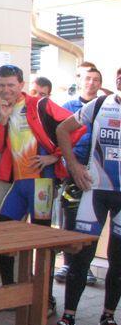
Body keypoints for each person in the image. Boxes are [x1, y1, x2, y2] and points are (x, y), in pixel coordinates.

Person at [0, 64, 80, 317]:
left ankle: (46, 299)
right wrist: (3, 119)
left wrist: (55, 156)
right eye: (2, 85)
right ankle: (10, 294)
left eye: (11, 85)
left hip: (41, 184)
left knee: (42, 243)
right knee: (2, 232)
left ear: (21, 84)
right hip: (19, 184)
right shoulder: (2, 107)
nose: (6, 90)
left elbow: (77, 128)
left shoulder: (40, 105)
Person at [47, 67, 121, 325]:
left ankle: (108, 318)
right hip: (95, 192)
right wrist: (73, 165)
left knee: (119, 260)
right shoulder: (100, 104)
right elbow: (62, 129)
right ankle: (68, 319)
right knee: (80, 257)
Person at [55, 66, 103, 286]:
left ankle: (85, 266)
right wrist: (71, 165)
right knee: (71, 217)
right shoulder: (67, 107)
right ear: (80, 81)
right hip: (73, 170)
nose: (91, 83)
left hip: (98, 174)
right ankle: (67, 263)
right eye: (88, 78)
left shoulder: (104, 105)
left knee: (91, 222)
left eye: (96, 80)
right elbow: (57, 136)